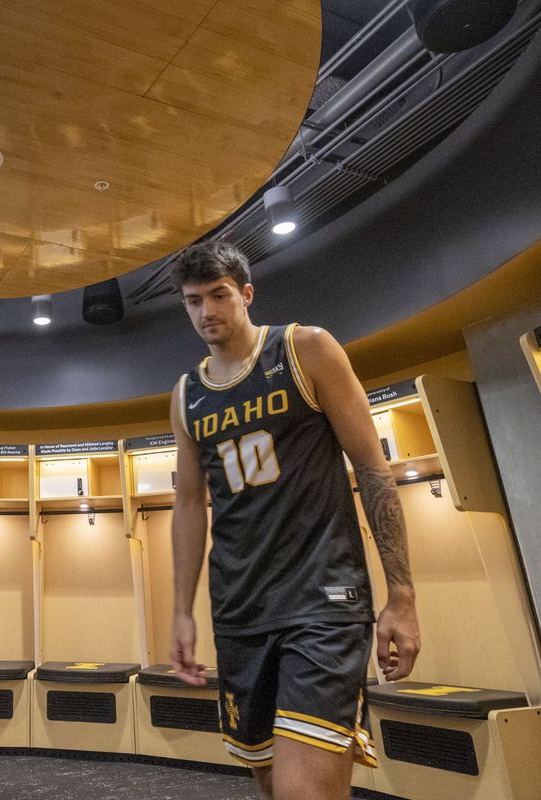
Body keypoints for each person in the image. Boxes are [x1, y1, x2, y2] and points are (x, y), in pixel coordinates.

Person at [167, 241, 421, 800]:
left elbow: (373, 471)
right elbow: (189, 504)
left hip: (322, 603)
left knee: (305, 793)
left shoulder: (304, 349)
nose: (206, 312)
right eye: (193, 301)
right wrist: (181, 612)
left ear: (246, 294)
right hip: (239, 611)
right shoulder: (188, 394)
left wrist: (401, 595)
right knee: (271, 783)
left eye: (219, 295)